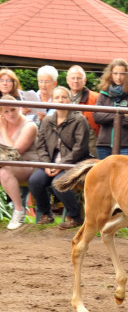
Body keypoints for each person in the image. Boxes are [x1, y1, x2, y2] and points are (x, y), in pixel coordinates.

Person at [28, 86, 90, 229]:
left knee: (59, 183)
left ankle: (76, 217)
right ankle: (46, 214)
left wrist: (61, 165)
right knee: (35, 180)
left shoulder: (79, 120)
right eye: (57, 97)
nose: (60, 100)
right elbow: (41, 146)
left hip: (72, 162)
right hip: (50, 161)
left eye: (64, 97)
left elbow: (80, 148)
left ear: (70, 100)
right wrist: (46, 164)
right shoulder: (47, 121)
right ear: (52, 100)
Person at [0, 95, 38, 229]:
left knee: (4, 172)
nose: (11, 114)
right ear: (1, 114)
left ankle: (19, 210)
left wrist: (3, 130)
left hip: (27, 164)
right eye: (6, 111)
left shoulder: (29, 126)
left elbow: (14, 154)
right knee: (4, 170)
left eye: (13, 109)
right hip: (5, 163)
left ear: (19, 108)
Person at [93, 59, 128, 159]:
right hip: (104, 144)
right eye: (115, 73)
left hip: (126, 144)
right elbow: (97, 117)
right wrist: (120, 115)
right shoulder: (103, 94)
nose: (118, 77)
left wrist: (108, 116)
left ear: (127, 75)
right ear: (110, 74)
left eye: (122, 74)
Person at [66, 65, 100, 158]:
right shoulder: (63, 97)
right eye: (73, 78)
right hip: (68, 140)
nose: (75, 81)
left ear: (84, 80)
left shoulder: (95, 97)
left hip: (90, 141)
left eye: (79, 78)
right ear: (67, 80)